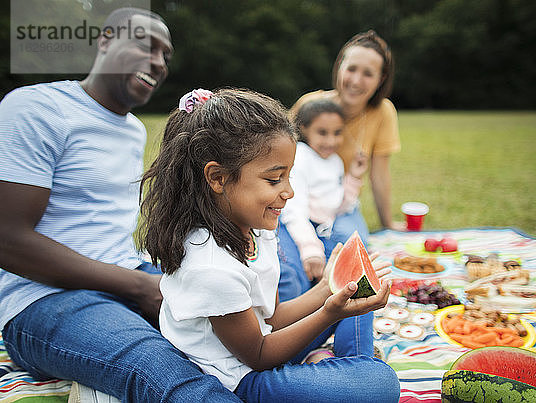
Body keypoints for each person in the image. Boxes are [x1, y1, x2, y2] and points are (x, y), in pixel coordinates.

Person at [0, 8, 241, 402]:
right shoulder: (36, 108)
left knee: (241, 338)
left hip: (127, 274)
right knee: (168, 375)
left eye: (166, 55)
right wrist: (140, 286)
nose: (159, 63)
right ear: (106, 39)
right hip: (44, 300)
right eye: (147, 46)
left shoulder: (131, 130)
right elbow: (7, 239)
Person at [138, 87, 401, 402]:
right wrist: (330, 311)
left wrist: (328, 287)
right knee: (380, 383)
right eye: (274, 180)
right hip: (245, 377)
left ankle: (337, 368)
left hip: (270, 343)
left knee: (358, 287)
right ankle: (341, 368)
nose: (289, 192)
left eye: (289, 177)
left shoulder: (255, 226)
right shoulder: (211, 268)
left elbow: (272, 317)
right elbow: (259, 356)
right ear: (218, 178)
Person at [289, 30, 403, 232]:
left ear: (381, 79)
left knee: (348, 241)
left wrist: (388, 224)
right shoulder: (310, 105)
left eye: (368, 74)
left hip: (341, 205)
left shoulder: (383, 112)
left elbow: (379, 175)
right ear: (339, 66)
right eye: (351, 69)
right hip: (298, 203)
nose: (356, 81)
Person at [278, 99, 369, 299]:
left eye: (337, 133)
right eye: (322, 133)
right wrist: (310, 249)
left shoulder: (334, 160)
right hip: (299, 226)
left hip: (324, 229)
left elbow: (339, 205)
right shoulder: (301, 157)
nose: (331, 141)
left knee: (352, 265)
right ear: (304, 128)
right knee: (298, 277)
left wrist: (353, 176)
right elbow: (294, 209)